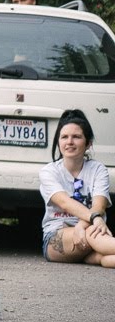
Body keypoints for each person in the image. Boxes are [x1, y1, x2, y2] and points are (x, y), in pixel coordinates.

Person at [40, 110, 114, 267]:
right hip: (57, 237)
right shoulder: (49, 172)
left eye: (77, 137)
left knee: (104, 258)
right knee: (91, 234)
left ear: (88, 143)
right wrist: (93, 219)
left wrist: (81, 225)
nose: (70, 142)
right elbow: (65, 203)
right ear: (58, 142)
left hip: (90, 233)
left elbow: (99, 206)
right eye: (64, 137)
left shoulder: (98, 169)